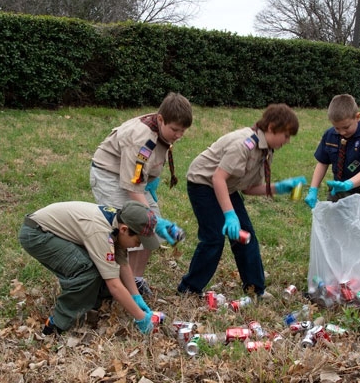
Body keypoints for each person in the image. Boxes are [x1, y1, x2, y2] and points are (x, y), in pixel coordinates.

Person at [177, 103, 307, 299]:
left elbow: (248, 188)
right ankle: (189, 288)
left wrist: (278, 188)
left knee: (245, 235)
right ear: (271, 128)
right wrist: (229, 215)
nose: (287, 141)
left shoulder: (266, 150)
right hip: (203, 184)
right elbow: (217, 178)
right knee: (214, 237)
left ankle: (254, 288)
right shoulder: (243, 144)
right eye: (286, 135)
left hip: (226, 187)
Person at [90, 92, 193, 297]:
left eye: (183, 131)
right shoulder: (141, 139)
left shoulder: (162, 127)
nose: (179, 135)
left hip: (136, 180)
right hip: (110, 176)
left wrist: (151, 188)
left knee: (150, 232)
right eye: (175, 130)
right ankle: (114, 286)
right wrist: (155, 219)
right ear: (161, 119)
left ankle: (135, 281)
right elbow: (132, 185)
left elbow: (141, 174)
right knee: (131, 229)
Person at [18, 200, 159, 335]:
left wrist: (135, 296)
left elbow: (122, 261)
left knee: (103, 268)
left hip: (50, 232)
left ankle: (88, 303)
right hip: (36, 234)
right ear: (124, 229)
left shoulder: (118, 221)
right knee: (87, 270)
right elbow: (114, 286)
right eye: (138, 240)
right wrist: (142, 318)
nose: (138, 245)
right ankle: (57, 324)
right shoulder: (100, 232)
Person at [304, 94, 360, 224]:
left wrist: (348, 184)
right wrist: (313, 189)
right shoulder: (330, 135)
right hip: (337, 190)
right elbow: (322, 162)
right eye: (337, 128)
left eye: (346, 127)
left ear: (357, 117)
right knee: (334, 227)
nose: (342, 132)